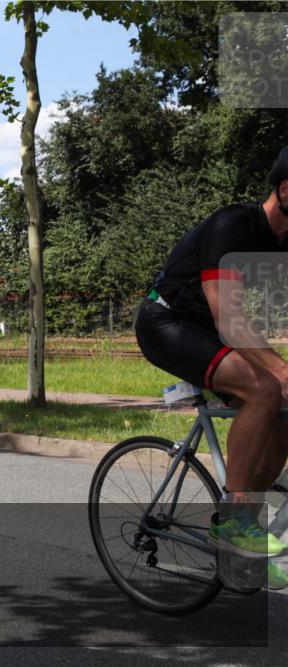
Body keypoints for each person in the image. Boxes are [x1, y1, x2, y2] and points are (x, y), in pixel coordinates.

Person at [136, 145, 288, 589]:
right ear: (284, 189)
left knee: (282, 413)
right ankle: (236, 518)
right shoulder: (231, 226)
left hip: (209, 334)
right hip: (166, 323)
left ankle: (239, 534)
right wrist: (280, 371)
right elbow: (230, 318)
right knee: (266, 389)